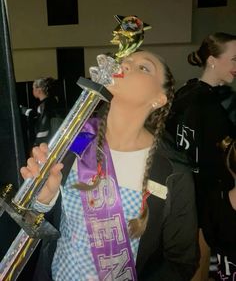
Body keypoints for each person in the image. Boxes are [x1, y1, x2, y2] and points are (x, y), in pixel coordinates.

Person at [21, 50, 199, 281]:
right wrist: (44, 201)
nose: (124, 66)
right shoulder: (75, 138)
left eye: (143, 67)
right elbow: (31, 223)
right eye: (125, 61)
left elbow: (181, 261)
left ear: (159, 98)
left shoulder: (172, 173)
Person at [165, 32, 236, 281]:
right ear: (213, 60)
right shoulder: (205, 103)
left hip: (192, 202)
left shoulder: (189, 94)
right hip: (203, 208)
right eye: (234, 59)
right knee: (197, 268)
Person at [21, 77, 63, 150]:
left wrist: (37, 143)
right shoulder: (50, 102)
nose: (33, 91)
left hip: (47, 142)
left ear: (39, 90)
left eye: (33, 89)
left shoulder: (45, 105)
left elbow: (44, 124)